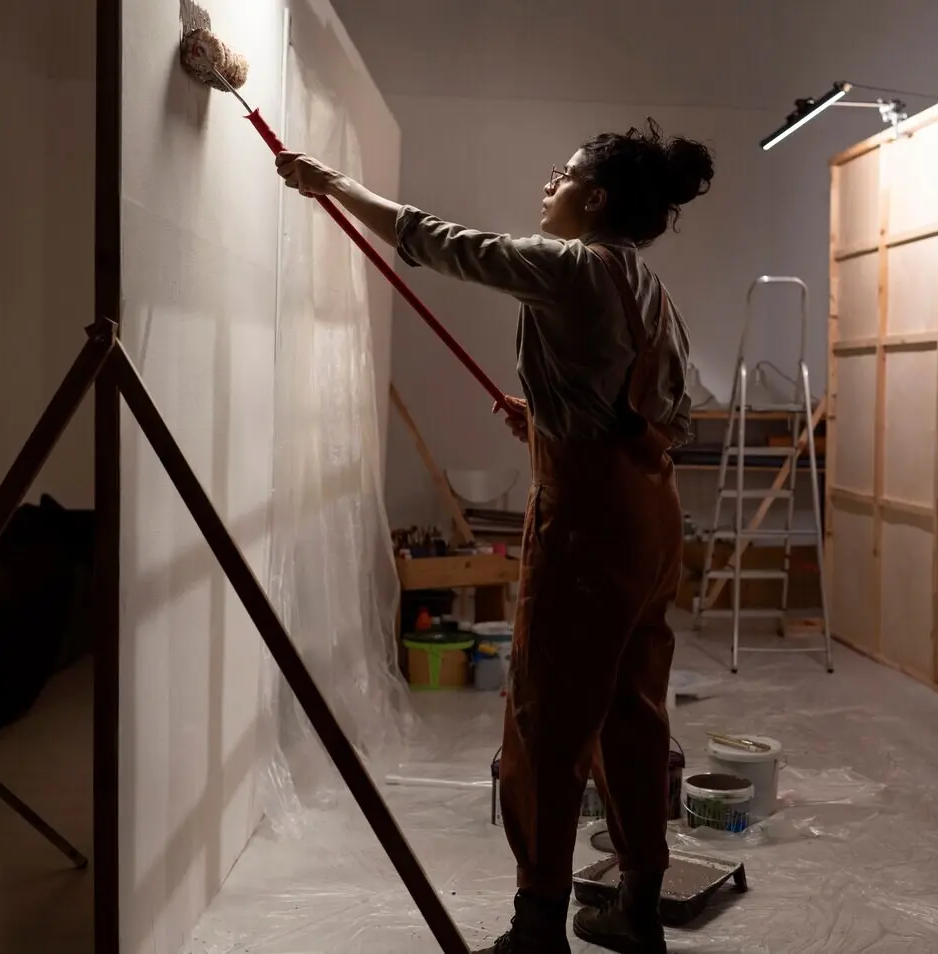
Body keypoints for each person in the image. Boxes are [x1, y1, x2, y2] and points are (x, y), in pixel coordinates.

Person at [275, 119, 714, 954]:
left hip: (589, 529)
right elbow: (667, 414)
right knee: (633, 708)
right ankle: (639, 908)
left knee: (549, 720)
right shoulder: (649, 287)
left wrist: (333, 185)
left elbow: (440, 243)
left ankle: (538, 928)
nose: (548, 185)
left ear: (595, 198)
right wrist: (555, 420)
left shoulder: (570, 265)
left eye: (562, 174)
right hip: (652, 521)